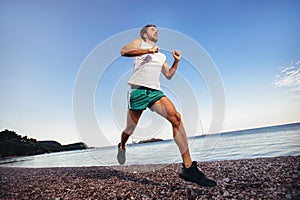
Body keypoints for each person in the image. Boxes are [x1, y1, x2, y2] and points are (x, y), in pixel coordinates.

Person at [117, 24, 217, 187]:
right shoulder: (139, 43)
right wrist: (148, 51)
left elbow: (169, 75)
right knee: (130, 129)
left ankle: (188, 168)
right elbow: (124, 52)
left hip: (156, 92)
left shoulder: (161, 56)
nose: (156, 31)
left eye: (157, 30)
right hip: (138, 90)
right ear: (144, 34)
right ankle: (122, 145)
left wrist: (176, 61)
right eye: (152, 29)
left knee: (176, 118)